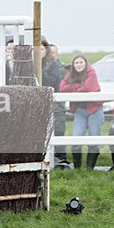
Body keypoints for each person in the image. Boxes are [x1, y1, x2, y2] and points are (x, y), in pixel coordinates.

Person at [59, 54, 103, 169]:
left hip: (95, 110)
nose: (79, 65)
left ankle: (89, 168)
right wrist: (78, 86)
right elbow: (62, 88)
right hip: (80, 110)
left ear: (86, 63)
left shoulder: (91, 72)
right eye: (76, 63)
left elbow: (88, 88)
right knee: (76, 139)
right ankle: (77, 168)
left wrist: (72, 87)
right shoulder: (70, 74)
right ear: (73, 65)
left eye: (81, 62)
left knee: (93, 139)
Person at [41, 38, 68, 167]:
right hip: (42, 104)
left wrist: (40, 69)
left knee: (58, 129)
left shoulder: (57, 66)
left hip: (55, 104)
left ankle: (60, 159)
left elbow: (52, 83)